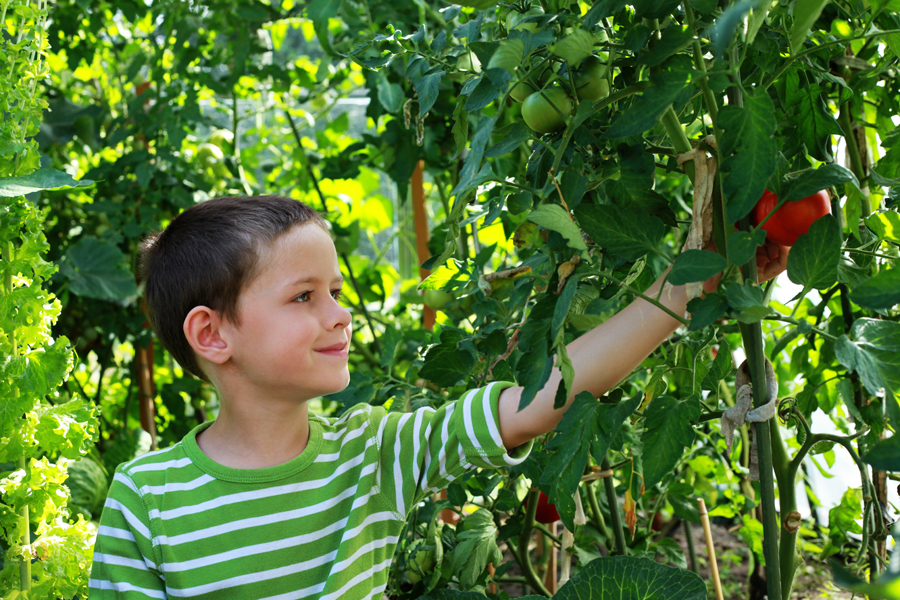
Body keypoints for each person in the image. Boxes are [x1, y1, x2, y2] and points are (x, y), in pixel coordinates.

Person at [88, 195, 788, 598]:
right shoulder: (148, 498)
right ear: (212, 335)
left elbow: (533, 400)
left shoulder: (373, 452)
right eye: (305, 296)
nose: (338, 314)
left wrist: (680, 291)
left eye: (335, 291)